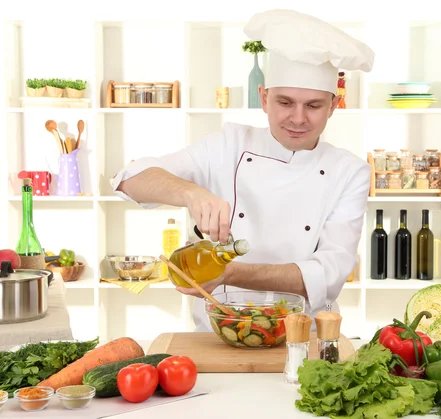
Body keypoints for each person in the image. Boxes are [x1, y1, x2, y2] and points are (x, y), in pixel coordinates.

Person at [110, 9, 375, 332]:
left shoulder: (349, 171)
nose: (298, 118)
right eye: (285, 102)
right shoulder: (229, 145)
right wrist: (191, 193)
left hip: (303, 336)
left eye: (314, 105)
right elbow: (129, 180)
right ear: (264, 98)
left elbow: (329, 273)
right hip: (218, 332)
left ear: (334, 105)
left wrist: (232, 273)